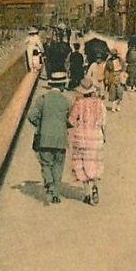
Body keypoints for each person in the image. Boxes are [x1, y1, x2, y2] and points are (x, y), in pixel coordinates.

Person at [27, 77, 72, 204]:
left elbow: (31, 115)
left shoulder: (43, 99)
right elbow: (70, 118)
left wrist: (39, 124)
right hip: (61, 138)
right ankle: (56, 194)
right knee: (58, 165)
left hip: (44, 137)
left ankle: (49, 183)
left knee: (46, 163)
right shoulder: (66, 101)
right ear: (62, 85)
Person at [68, 77, 106, 205]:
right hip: (96, 137)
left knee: (82, 164)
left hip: (82, 138)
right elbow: (103, 122)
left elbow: (72, 121)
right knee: (94, 162)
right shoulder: (99, 103)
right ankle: (95, 185)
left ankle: (87, 194)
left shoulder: (78, 103)